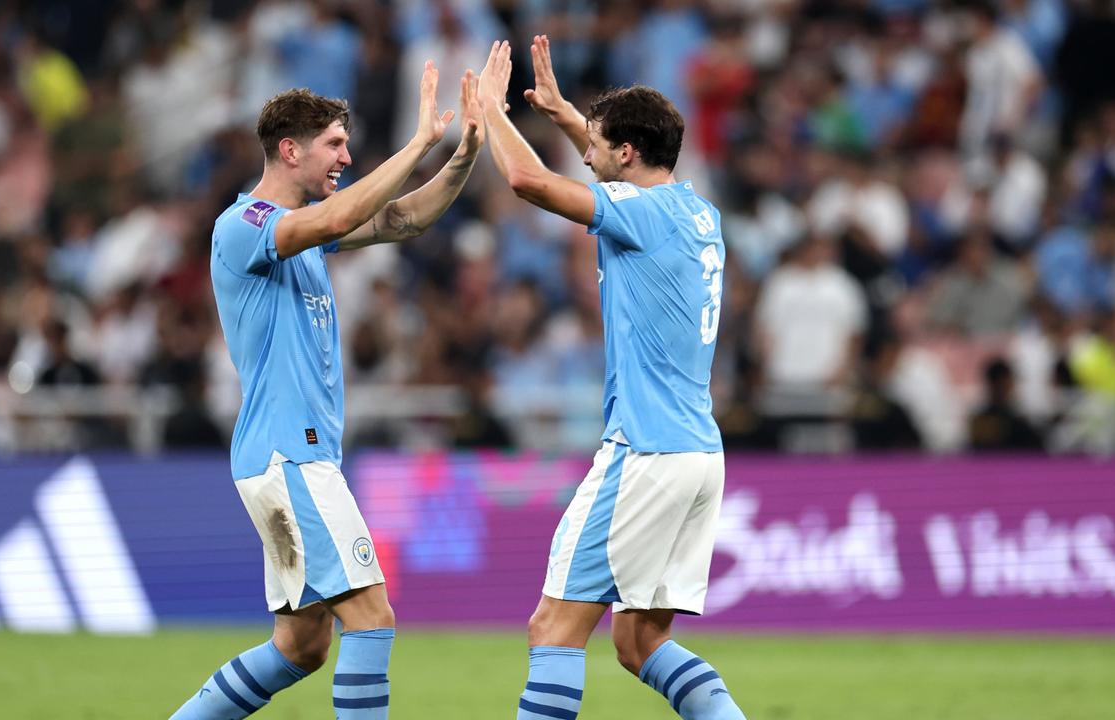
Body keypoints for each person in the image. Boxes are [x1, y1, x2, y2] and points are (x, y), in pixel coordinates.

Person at [169, 62, 485, 720]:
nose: (346, 156)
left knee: (302, 645)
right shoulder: (246, 223)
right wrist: (416, 141)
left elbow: (402, 219)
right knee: (371, 618)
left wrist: (462, 154)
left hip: (288, 459)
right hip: (290, 456)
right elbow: (337, 215)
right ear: (291, 150)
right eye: (336, 144)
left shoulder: (307, 233)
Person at [476, 38, 748, 720]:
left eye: (596, 145)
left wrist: (491, 111)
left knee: (553, 628)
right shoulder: (697, 212)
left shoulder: (640, 215)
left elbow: (528, 182)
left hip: (644, 453)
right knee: (637, 639)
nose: (587, 155)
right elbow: (615, 174)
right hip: (697, 456)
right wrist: (571, 117)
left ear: (625, 152)